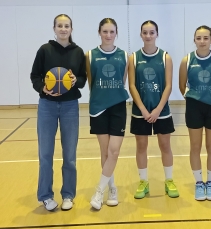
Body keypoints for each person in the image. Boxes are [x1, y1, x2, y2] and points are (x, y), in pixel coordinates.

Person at [30, 14, 86, 211]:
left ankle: (68, 194)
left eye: (67, 26)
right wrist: (42, 88)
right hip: (47, 106)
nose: (63, 29)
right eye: (60, 26)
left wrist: (73, 81)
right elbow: (35, 76)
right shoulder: (44, 50)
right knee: (45, 154)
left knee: (69, 155)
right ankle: (45, 195)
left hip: (70, 106)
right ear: (54, 28)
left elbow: (82, 79)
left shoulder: (78, 52)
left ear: (71, 29)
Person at [128, 20, 179, 199]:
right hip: (140, 111)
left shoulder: (166, 57)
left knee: (165, 146)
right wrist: (142, 108)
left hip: (161, 111)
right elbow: (132, 86)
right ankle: (143, 182)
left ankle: (169, 180)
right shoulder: (133, 58)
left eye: (152, 32)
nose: (148, 36)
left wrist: (158, 109)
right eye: (145, 32)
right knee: (141, 146)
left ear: (157, 34)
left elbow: (168, 86)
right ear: (140, 34)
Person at [86, 18, 129, 210]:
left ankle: (99, 190)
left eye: (112, 32)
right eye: (105, 31)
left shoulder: (124, 56)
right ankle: (112, 187)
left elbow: (123, 80)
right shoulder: (90, 55)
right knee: (105, 152)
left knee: (114, 151)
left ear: (116, 33)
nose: (108, 35)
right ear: (99, 32)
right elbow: (90, 81)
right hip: (98, 107)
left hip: (118, 106)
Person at [179, 25, 211, 201]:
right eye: (199, 38)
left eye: (206, 38)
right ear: (194, 40)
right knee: (195, 146)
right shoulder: (187, 60)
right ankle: (199, 183)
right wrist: (196, 97)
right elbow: (182, 85)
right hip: (194, 106)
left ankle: (210, 183)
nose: (202, 41)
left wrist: (210, 95)